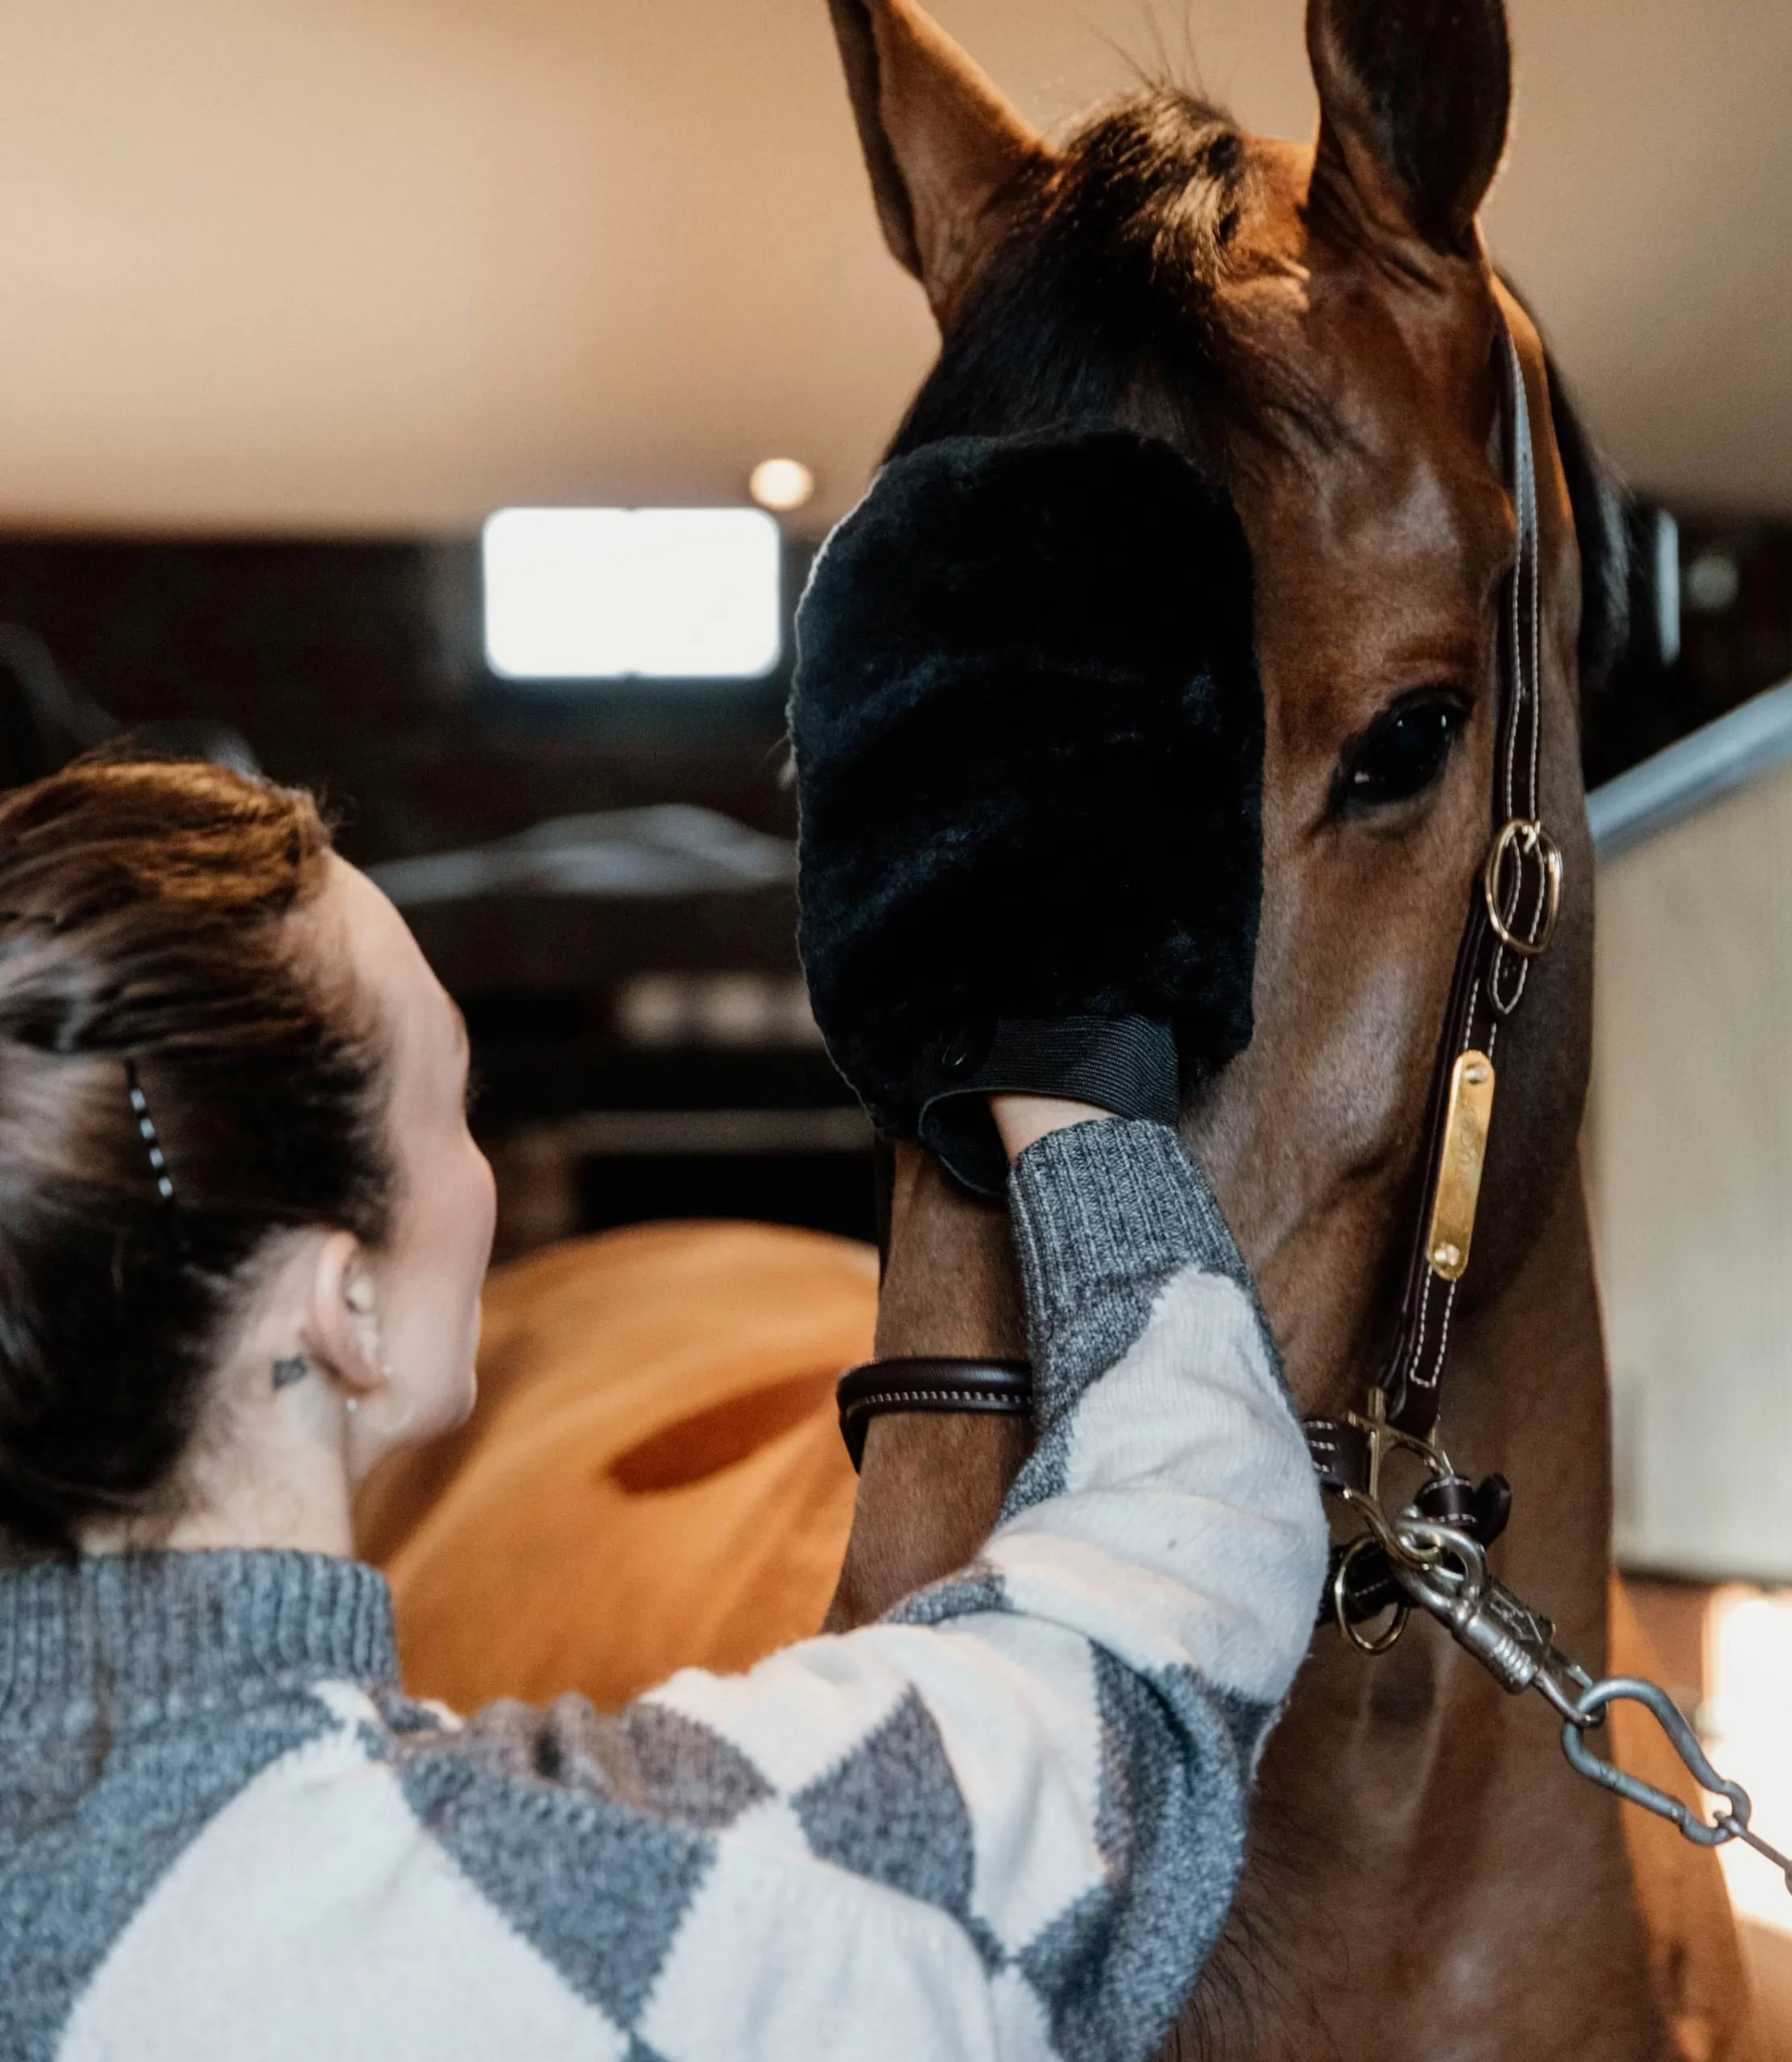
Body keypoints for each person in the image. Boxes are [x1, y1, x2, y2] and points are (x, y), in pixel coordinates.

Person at [0, 751, 1326, 2058]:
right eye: (454, 1100)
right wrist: (1077, 1089)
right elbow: (1164, 1619)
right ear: (345, 1312)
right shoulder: (594, 1919)